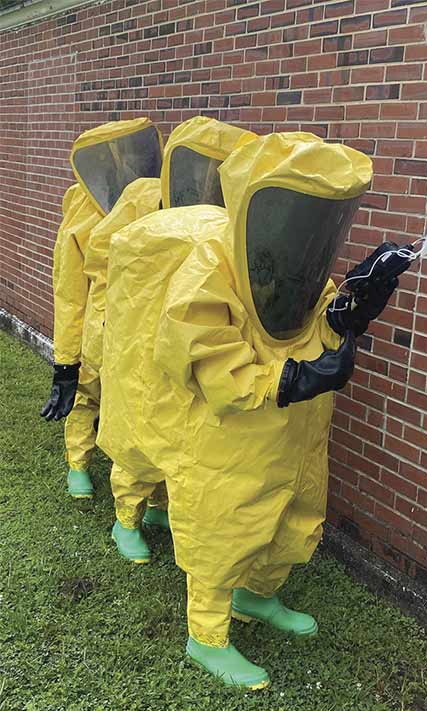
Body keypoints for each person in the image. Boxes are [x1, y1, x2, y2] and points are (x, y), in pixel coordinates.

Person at [98, 131, 397, 689]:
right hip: (233, 434)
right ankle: (205, 635)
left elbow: (311, 320)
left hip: (293, 431)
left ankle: (257, 594)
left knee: (289, 510)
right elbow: (215, 367)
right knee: (225, 523)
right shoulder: (211, 272)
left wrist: (356, 303)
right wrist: (293, 379)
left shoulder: (292, 264)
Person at [83, 116, 254, 564]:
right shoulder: (141, 200)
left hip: (193, 335)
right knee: (139, 429)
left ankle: (162, 508)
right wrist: (98, 340)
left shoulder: (232, 226)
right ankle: (127, 518)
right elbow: (103, 260)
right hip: (137, 330)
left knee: (180, 433)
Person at [40, 119, 163, 504]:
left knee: (138, 406)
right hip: (98, 326)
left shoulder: (156, 200)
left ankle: (143, 490)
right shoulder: (83, 209)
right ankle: (78, 462)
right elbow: (70, 291)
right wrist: (66, 363)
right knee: (87, 394)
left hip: (141, 326)